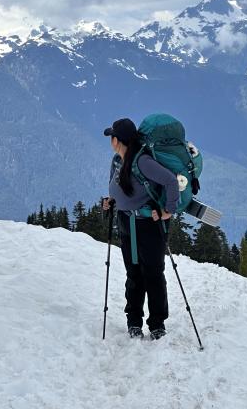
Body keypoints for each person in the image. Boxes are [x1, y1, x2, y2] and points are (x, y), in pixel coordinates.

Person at [102, 117, 179, 340]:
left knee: (153, 274)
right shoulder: (117, 162)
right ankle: (133, 321)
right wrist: (109, 203)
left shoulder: (142, 162)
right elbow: (118, 192)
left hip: (148, 226)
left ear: (117, 140)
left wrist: (168, 210)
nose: (110, 140)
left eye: (111, 136)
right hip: (127, 224)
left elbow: (171, 181)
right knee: (133, 274)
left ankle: (157, 324)